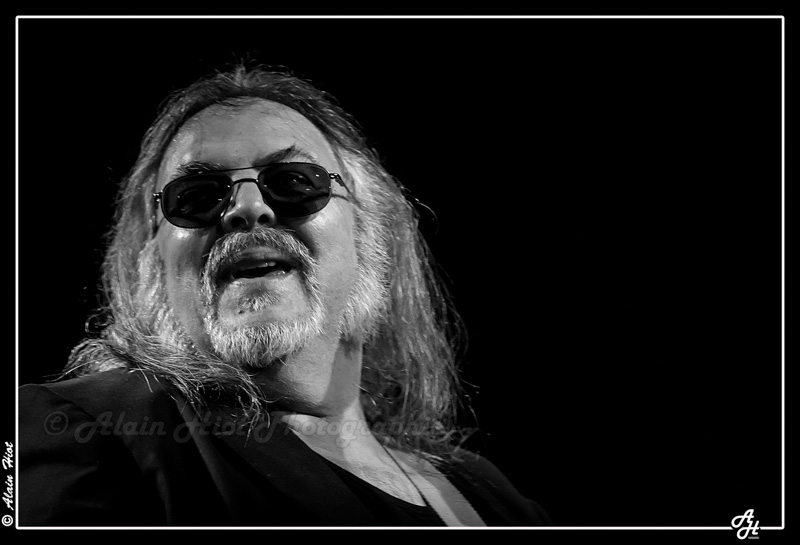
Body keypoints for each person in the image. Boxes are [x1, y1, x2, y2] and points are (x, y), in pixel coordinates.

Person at [18, 64, 550, 527]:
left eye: (294, 181)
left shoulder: (487, 492)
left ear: (371, 232)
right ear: (153, 260)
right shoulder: (85, 430)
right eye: (196, 196)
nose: (247, 209)